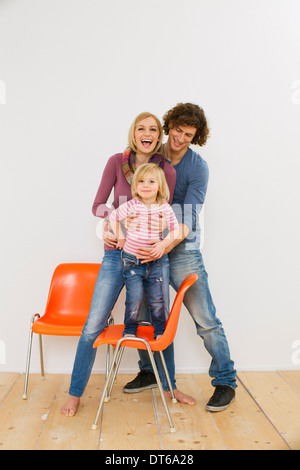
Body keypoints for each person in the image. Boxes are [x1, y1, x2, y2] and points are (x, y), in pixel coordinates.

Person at [60, 112, 193, 417]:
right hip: (114, 256)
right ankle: (74, 394)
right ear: (133, 133)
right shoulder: (114, 162)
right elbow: (98, 206)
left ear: (158, 135)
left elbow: (166, 216)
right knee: (94, 323)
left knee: (159, 325)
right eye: (141, 128)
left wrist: (164, 243)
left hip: (151, 259)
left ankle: (170, 386)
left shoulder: (166, 170)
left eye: (153, 129)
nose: (147, 133)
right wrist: (115, 222)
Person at [123, 103, 237, 412]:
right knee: (145, 316)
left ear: (196, 136)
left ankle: (225, 381)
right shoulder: (151, 155)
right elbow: (130, 195)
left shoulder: (198, 167)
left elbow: (190, 212)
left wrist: (166, 244)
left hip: (183, 250)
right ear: (169, 125)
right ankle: (148, 372)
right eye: (177, 130)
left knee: (205, 320)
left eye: (189, 135)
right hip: (146, 250)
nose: (180, 138)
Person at [109, 163, 180, 338]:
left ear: (160, 186)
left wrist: (163, 245)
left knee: (157, 301)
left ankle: (160, 331)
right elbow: (112, 217)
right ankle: (130, 330)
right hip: (132, 262)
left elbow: (175, 230)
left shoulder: (164, 208)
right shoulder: (132, 205)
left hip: (155, 263)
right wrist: (121, 237)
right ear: (135, 186)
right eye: (141, 181)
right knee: (134, 299)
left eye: (151, 181)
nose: (146, 185)